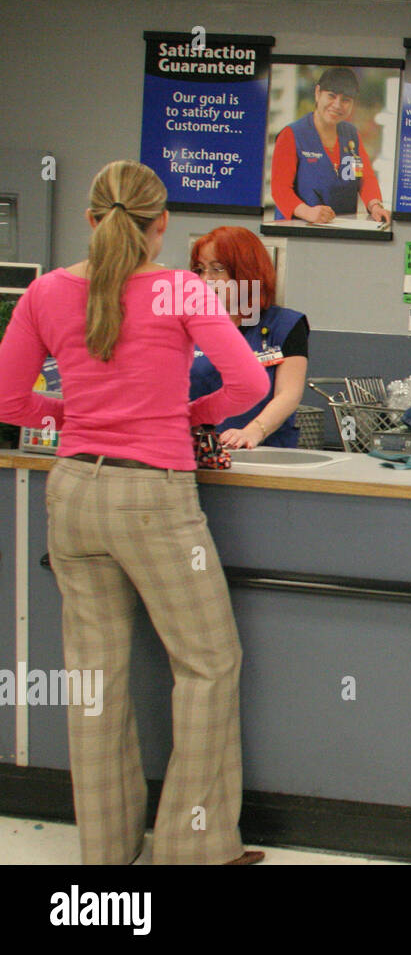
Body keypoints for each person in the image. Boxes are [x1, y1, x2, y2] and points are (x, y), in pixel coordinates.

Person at [0, 160, 269, 864]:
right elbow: (246, 381)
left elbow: (7, 401)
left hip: (74, 494)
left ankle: (108, 856)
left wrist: (68, 414)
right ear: (161, 228)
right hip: (154, 497)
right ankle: (192, 846)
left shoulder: (44, 292)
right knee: (209, 665)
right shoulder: (180, 288)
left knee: (96, 678)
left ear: (90, 220)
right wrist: (184, 415)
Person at [189, 226, 309, 448]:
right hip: (192, 451)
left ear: (245, 272)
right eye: (200, 270)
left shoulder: (285, 325)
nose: (206, 280)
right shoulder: (187, 323)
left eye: (217, 269)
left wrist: (253, 432)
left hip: (262, 453)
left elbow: (289, 394)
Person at [271, 67, 391, 226]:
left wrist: (375, 206)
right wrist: (308, 212)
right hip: (300, 230)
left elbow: (364, 178)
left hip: (341, 229)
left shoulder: (351, 135)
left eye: (346, 100)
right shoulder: (292, 135)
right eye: (331, 96)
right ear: (317, 93)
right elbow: (280, 190)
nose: (337, 105)